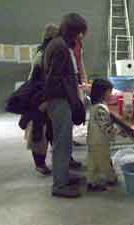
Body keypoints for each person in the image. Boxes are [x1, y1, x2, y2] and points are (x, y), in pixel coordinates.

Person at [44, 13, 87, 198]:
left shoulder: (59, 44)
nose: (80, 37)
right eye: (79, 32)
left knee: (65, 141)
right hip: (59, 100)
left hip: (61, 99)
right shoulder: (60, 47)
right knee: (61, 143)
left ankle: (63, 176)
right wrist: (68, 99)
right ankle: (59, 185)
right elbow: (54, 79)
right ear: (72, 30)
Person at [23, 23, 58, 175]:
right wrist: (41, 100)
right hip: (39, 98)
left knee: (51, 131)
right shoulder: (43, 54)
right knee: (39, 131)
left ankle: (60, 159)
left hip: (47, 97)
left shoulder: (46, 51)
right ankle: (40, 163)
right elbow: (34, 79)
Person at [86, 78, 124, 192]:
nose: (111, 94)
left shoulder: (96, 105)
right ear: (102, 92)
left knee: (93, 162)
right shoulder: (100, 108)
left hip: (93, 140)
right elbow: (106, 128)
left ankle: (91, 181)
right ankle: (111, 178)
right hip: (100, 141)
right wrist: (119, 131)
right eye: (109, 92)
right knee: (104, 161)